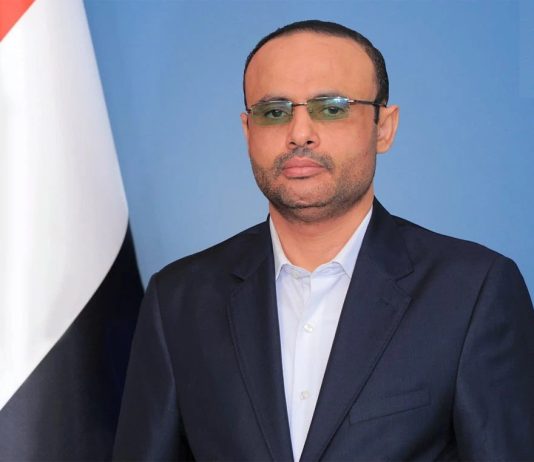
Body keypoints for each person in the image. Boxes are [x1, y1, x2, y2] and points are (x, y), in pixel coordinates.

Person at [113, 20, 534, 461]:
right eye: (274, 111)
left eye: (331, 108)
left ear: (384, 127)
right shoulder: (177, 299)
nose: (299, 133)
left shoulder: (472, 292)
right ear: (248, 131)